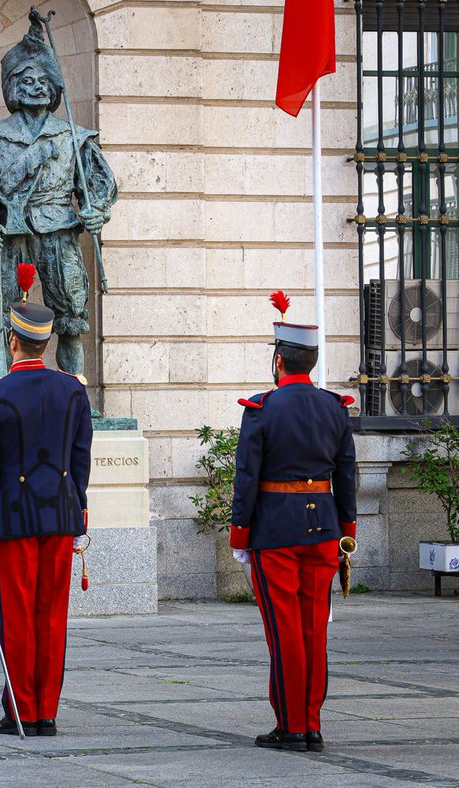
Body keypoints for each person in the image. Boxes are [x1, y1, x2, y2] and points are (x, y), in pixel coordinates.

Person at [0, 10, 117, 376]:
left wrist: (98, 211)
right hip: (9, 235)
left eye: (45, 79)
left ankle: (74, 397)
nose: (37, 85)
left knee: (71, 317)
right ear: (13, 85)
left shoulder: (73, 137)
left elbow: (99, 185)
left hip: (59, 231)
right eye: (27, 79)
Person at [229, 293, 357, 753]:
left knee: (284, 630)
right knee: (313, 629)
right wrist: (348, 533)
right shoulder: (334, 407)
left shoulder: (262, 408)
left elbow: (247, 477)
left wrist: (239, 534)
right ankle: (313, 723)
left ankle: (292, 726)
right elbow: (346, 476)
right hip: (323, 530)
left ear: (279, 360)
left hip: (275, 532)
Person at [0, 301, 92, 737]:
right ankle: (46, 711)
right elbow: (81, 462)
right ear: (46, 341)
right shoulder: (73, 390)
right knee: (52, 615)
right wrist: (79, 518)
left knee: (18, 616)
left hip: (13, 520)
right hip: (60, 516)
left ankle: (21, 710)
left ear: (13, 341)